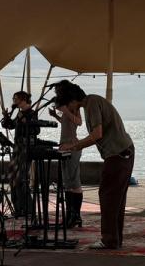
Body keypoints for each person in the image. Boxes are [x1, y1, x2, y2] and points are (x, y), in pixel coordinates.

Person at [57, 84, 133, 250]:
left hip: (117, 153)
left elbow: (97, 134)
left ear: (72, 100)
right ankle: (115, 239)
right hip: (123, 151)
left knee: (107, 195)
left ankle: (109, 240)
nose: (68, 108)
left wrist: (74, 146)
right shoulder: (92, 101)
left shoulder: (91, 103)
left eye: (66, 104)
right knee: (116, 199)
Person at [50, 81, 83, 227]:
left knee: (74, 182)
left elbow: (78, 122)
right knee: (67, 183)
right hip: (63, 145)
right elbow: (67, 123)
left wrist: (66, 111)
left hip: (72, 145)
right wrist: (56, 116)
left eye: (58, 90)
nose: (56, 92)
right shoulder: (65, 107)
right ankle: (69, 215)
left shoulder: (73, 105)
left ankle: (75, 215)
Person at [2, 91, 36, 215]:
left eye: (15, 98)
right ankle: (18, 208)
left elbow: (36, 130)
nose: (14, 101)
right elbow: (9, 126)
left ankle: (28, 209)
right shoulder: (19, 113)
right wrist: (6, 116)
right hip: (17, 147)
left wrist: (24, 122)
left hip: (25, 148)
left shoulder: (31, 113)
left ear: (23, 99)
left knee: (21, 178)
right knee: (12, 177)